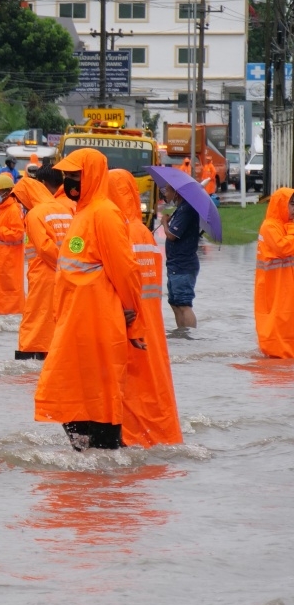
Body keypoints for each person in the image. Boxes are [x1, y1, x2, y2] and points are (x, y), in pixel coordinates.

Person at [34, 148, 146, 451]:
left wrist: (134, 322)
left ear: (92, 176)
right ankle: (89, 463)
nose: (69, 181)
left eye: (75, 176)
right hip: (76, 322)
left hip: (98, 322)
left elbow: (126, 271)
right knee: (68, 390)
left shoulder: (105, 214)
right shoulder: (82, 213)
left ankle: (104, 464)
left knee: (99, 394)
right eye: (67, 176)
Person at [108, 169, 182, 447]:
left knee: (130, 389)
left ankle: (133, 438)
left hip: (128, 324)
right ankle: (159, 436)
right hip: (151, 324)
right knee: (153, 385)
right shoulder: (143, 233)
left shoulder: (119, 232)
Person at [16, 169, 72, 360]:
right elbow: (74, 243)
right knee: (53, 320)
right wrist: (70, 266)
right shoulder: (63, 209)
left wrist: (61, 264)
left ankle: (29, 362)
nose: (21, 204)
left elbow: (45, 247)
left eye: (21, 199)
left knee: (34, 320)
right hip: (64, 275)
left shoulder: (35, 214)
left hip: (44, 275)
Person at [254, 188, 294, 358]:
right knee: (276, 330)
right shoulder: (269, 226)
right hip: (274, 291)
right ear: (281, 204)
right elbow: (284, 248)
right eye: (292, 204)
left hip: (286, 288)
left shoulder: (285, 225)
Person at [160, 187, 200, 330]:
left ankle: (189, 337)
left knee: (183, 304)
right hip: (175, 264)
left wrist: (164, 222)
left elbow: (172, 235)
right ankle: (181, 335)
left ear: (176, 192)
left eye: (168, 190)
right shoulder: (181, 209)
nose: (165, 193)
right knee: (174, 303)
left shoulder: (186, 209)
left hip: (183, 264)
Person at [0, 173, 25, 315]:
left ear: (6, 192)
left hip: (9, 262)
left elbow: (18, 233)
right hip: (0, 262)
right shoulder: (2, 209)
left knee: (9, 298)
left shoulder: (13, 210)